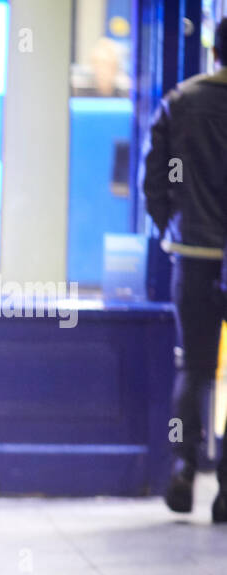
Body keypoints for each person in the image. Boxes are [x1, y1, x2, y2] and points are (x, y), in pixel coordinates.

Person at [142, 17, 227, 519]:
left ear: (214, 50)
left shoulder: (180, 102)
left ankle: (182, 466)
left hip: (193, 256)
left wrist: (169, 228)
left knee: (193, 368)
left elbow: (155, 178)